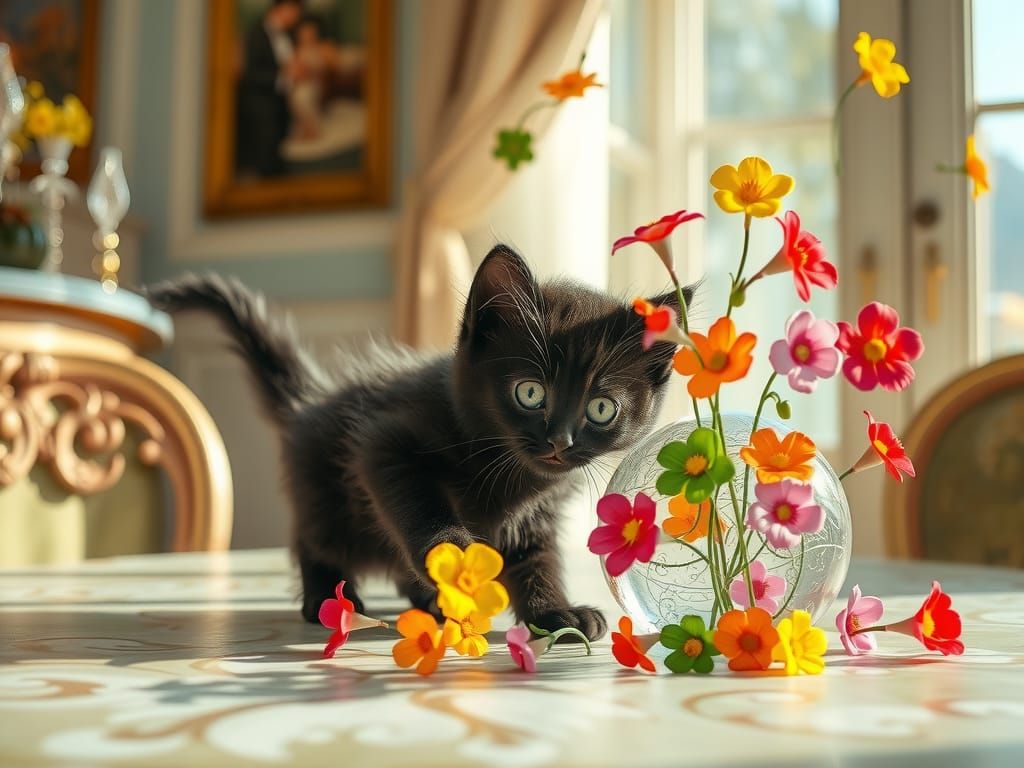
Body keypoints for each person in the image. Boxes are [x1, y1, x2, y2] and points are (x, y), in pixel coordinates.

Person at [235, 0, 302, 177]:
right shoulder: (256, 34)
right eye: (294, 10)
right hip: (260, 106)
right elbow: (251, 73)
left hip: (279, 104)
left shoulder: (289, 35)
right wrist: (283, 76)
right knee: (265, 160)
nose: (296, 16)